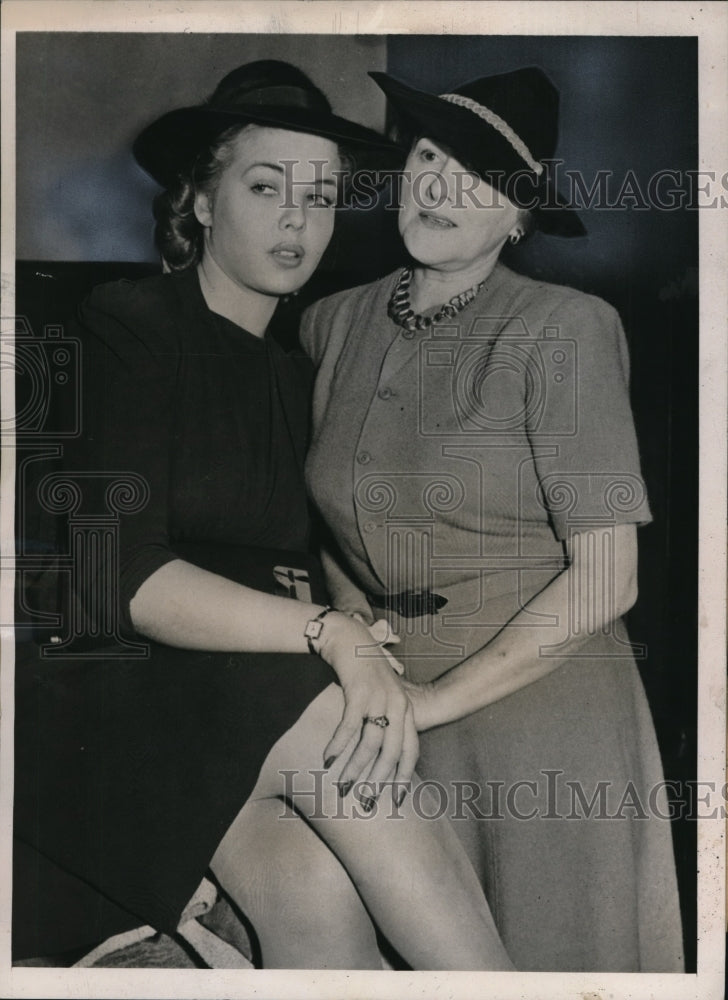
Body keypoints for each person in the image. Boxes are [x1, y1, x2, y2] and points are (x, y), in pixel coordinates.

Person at [12, 60, 513, 972]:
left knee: (318, 908)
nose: (298, 217)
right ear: (201, 201)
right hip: (132, 685)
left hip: (253, 689)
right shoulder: (127, 324)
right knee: (365, 763)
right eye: (265, 185)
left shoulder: (304, 370)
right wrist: (333, 637)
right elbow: (116, 578)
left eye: (321, 195)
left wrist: (367, 621)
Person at [301, 66, 685, 972]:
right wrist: (366, 661)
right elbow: (329, 529)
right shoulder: (331, 324)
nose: (441, 186)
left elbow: (608, 579)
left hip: (542, 711)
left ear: (520, 216)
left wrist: (432, 702)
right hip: (387, 709)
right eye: (429, 155)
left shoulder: (563, 328)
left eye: (482, 175)